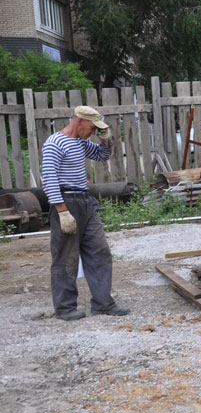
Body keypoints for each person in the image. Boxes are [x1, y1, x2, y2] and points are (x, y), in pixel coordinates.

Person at [41, 106, 130, 320]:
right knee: (66, 257)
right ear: (79, 120)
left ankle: (102, 303)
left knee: (99, 251)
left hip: (85, 201)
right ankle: (65, 308)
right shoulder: (54, 143)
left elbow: (102, 156)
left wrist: (106, 140)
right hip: (66, 202)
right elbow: (49, 179)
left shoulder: (81, 142)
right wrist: (62, 211)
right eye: (92, 128)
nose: (92, 132)